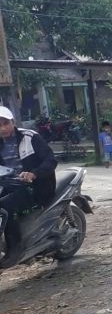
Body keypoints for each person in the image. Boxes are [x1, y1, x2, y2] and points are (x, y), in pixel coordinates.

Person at [0, 106, 57, 261]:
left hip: (36, 185)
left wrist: (34, 173)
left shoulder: (30, 137)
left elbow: (50, 160)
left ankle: (15, 247)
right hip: (10, 184)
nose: (3, 128)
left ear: (13, 122)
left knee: (4, 207)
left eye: (6, 123)